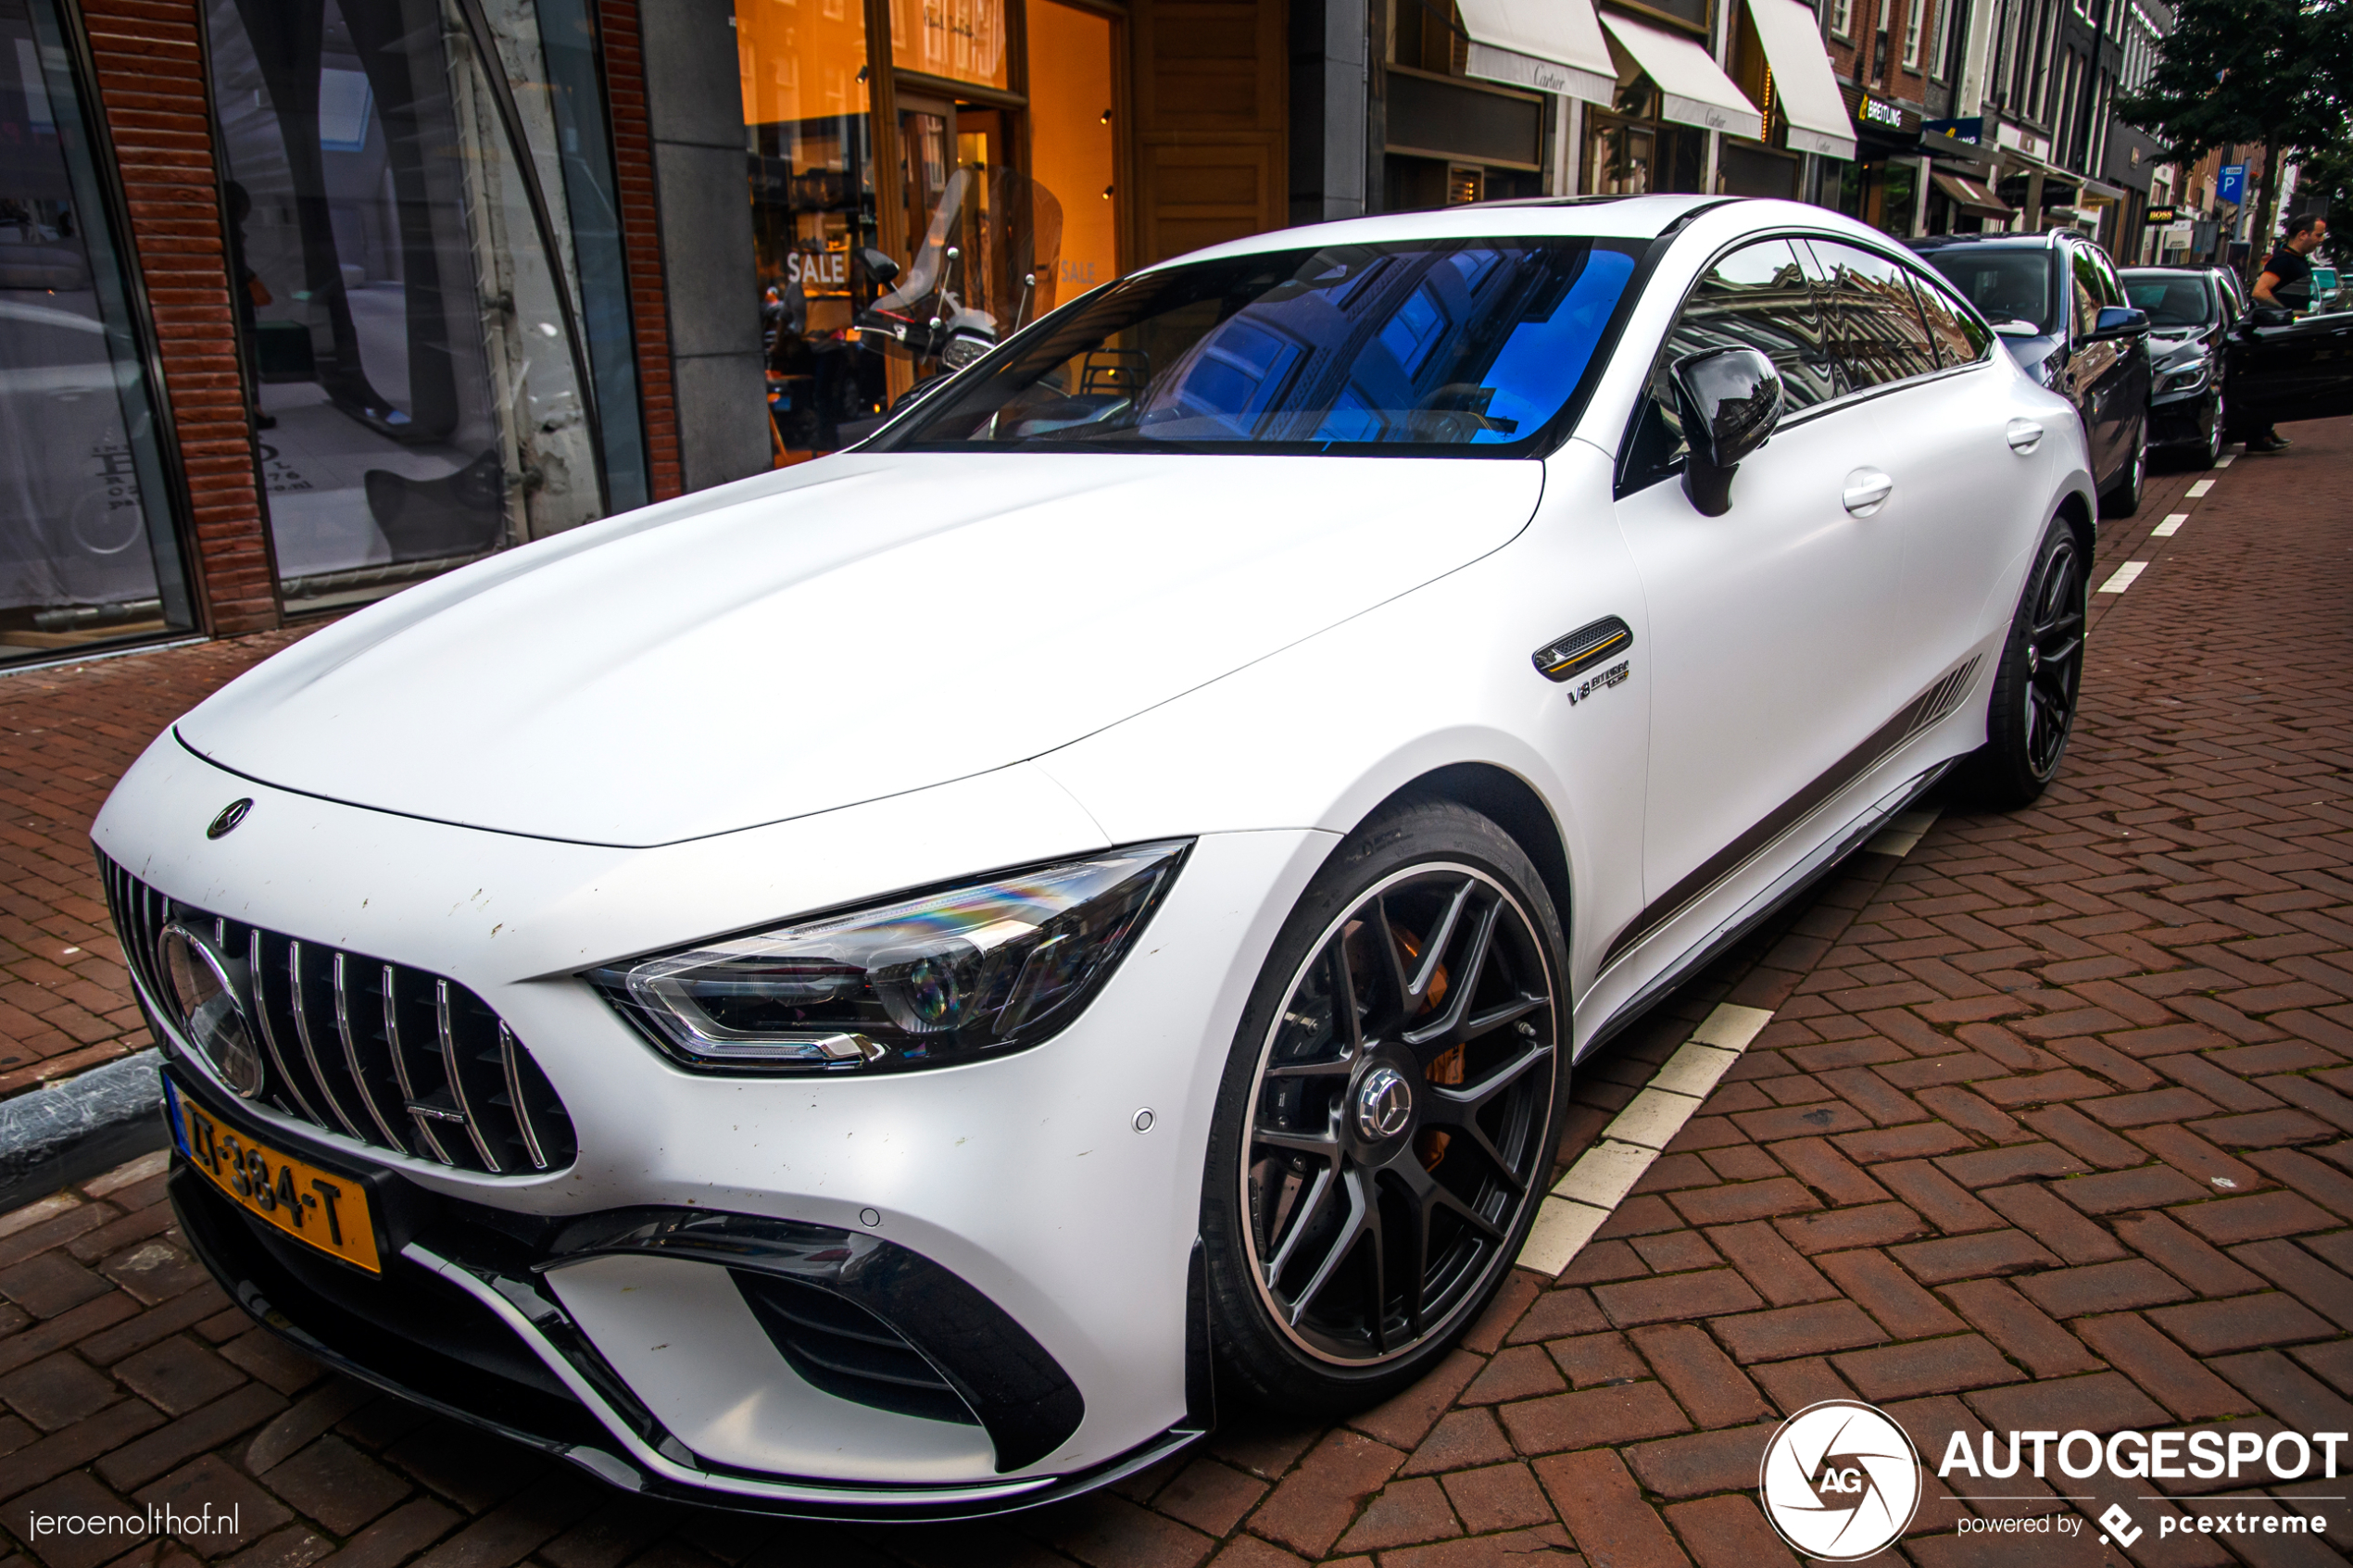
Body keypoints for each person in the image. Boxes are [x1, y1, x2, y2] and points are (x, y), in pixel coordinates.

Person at [2245, 214, 2328, 453]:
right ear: (2303, 234)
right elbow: (2261, 292)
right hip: (2275, 333)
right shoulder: (2283, 261)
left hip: (2285, 332)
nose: (2321, 240)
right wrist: (2287, 313)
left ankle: (2267, 430)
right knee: (2270, 383)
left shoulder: (2299, 261)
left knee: (2277, 384)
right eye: (2318, 234)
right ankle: (2258, 436)